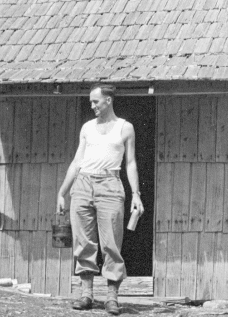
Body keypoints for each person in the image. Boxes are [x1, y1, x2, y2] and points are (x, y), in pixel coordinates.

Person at [56, 84, 145, 316]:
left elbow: (131, 163)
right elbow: (77, 162)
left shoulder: (125, 128)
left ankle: (112, 298)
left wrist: (136, 194)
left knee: (111, 243)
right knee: (83, 242)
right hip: (83, 185)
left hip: (110, 185)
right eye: (90, 102)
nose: (92, 106)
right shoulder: (87, 128)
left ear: (108, 100)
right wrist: (62, 192)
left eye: (96, 102)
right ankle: (86, 294)